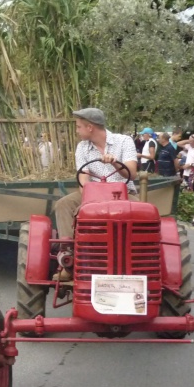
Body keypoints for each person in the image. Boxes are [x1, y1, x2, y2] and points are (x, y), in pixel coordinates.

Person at [53, 108, 138, 281]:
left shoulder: (123, 141)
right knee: (64, 204)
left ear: (89, 127)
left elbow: (132, 173)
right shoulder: (82, 148)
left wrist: (115, 163)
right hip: (94, 194)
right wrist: (89, 201)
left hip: (122, 194)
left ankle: (138, 258)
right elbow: (83, 178)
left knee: (145, 213)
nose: (77, 131)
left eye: (78, 127)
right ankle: (69, 258)